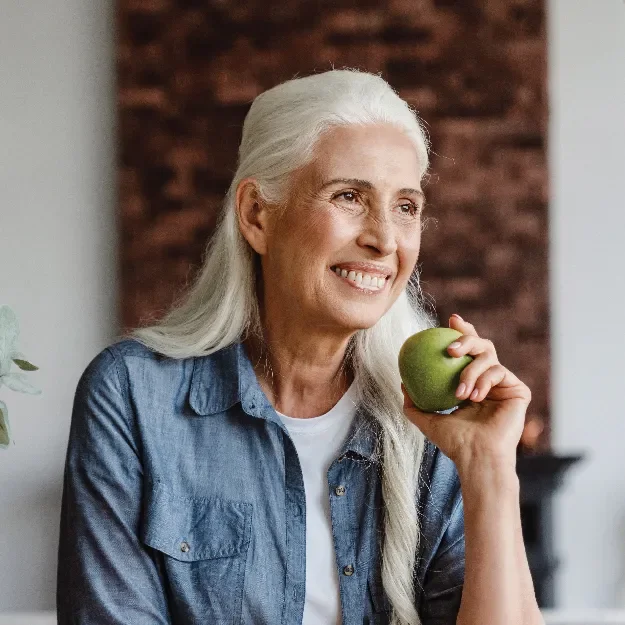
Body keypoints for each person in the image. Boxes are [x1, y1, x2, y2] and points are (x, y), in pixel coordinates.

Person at [57, 69, 543, 625]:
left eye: (406, 206)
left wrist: (488, 467)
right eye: (349, 196)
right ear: (257, 215)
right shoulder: (132, 397)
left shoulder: (431, 417)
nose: (384, 238)